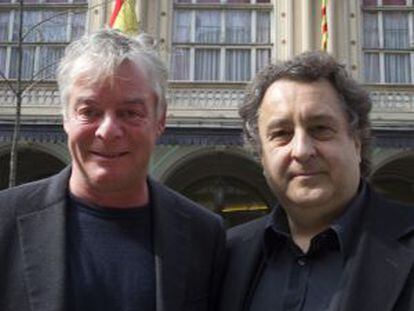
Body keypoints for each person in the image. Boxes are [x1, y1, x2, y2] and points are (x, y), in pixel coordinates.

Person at [0, 29, 225, 311]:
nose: (108, 131)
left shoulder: (204, 235)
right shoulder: (5, 220)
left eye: (130, 113)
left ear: (160, 120)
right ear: (65, 118)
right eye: (89, 111)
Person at [218, 51, 414, 311]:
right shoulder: (227, 255)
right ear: (261, 156)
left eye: (320, 129)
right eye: (281, 134)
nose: (301, 150)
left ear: (356, 142)